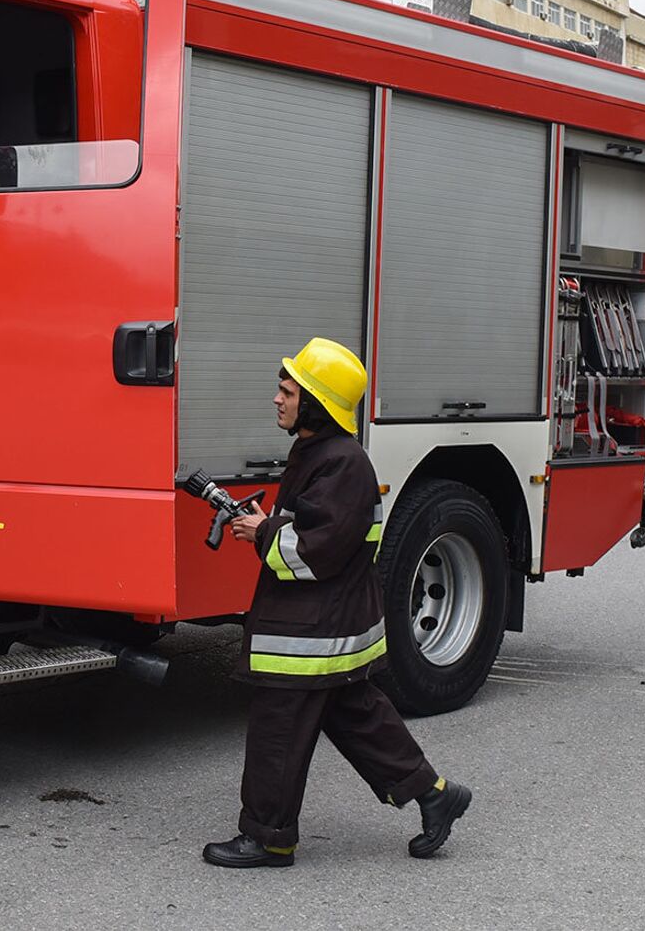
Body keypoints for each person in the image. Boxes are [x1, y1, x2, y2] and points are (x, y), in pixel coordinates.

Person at [202, 337, 472, 868]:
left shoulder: (342, 464)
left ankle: (269, 838)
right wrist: (269, 526)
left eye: (286, 391)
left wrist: (261, 532)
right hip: (327, 623)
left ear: (315, 402)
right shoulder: (319, 454)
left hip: (312, 630)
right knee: (357, 717)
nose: (276, 400)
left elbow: (313, 549)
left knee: (277, 729)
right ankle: (436, 795)